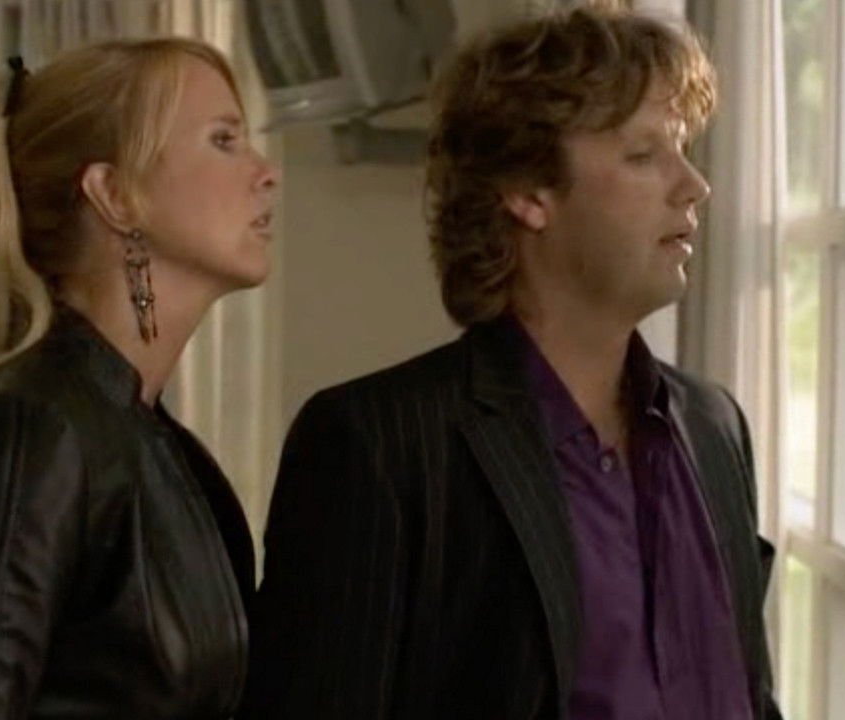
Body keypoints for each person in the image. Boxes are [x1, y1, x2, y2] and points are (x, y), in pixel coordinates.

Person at [242, 5, 781, 720]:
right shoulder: (378, 444)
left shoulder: (715, 427)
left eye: (683, 147)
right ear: (527, 191)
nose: (694, 185)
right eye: (644, 154)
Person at [0, 37, 278, 719]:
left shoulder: (153, 443)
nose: (266, 172)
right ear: (115, 194)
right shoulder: (20, 436)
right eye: (224, 140)